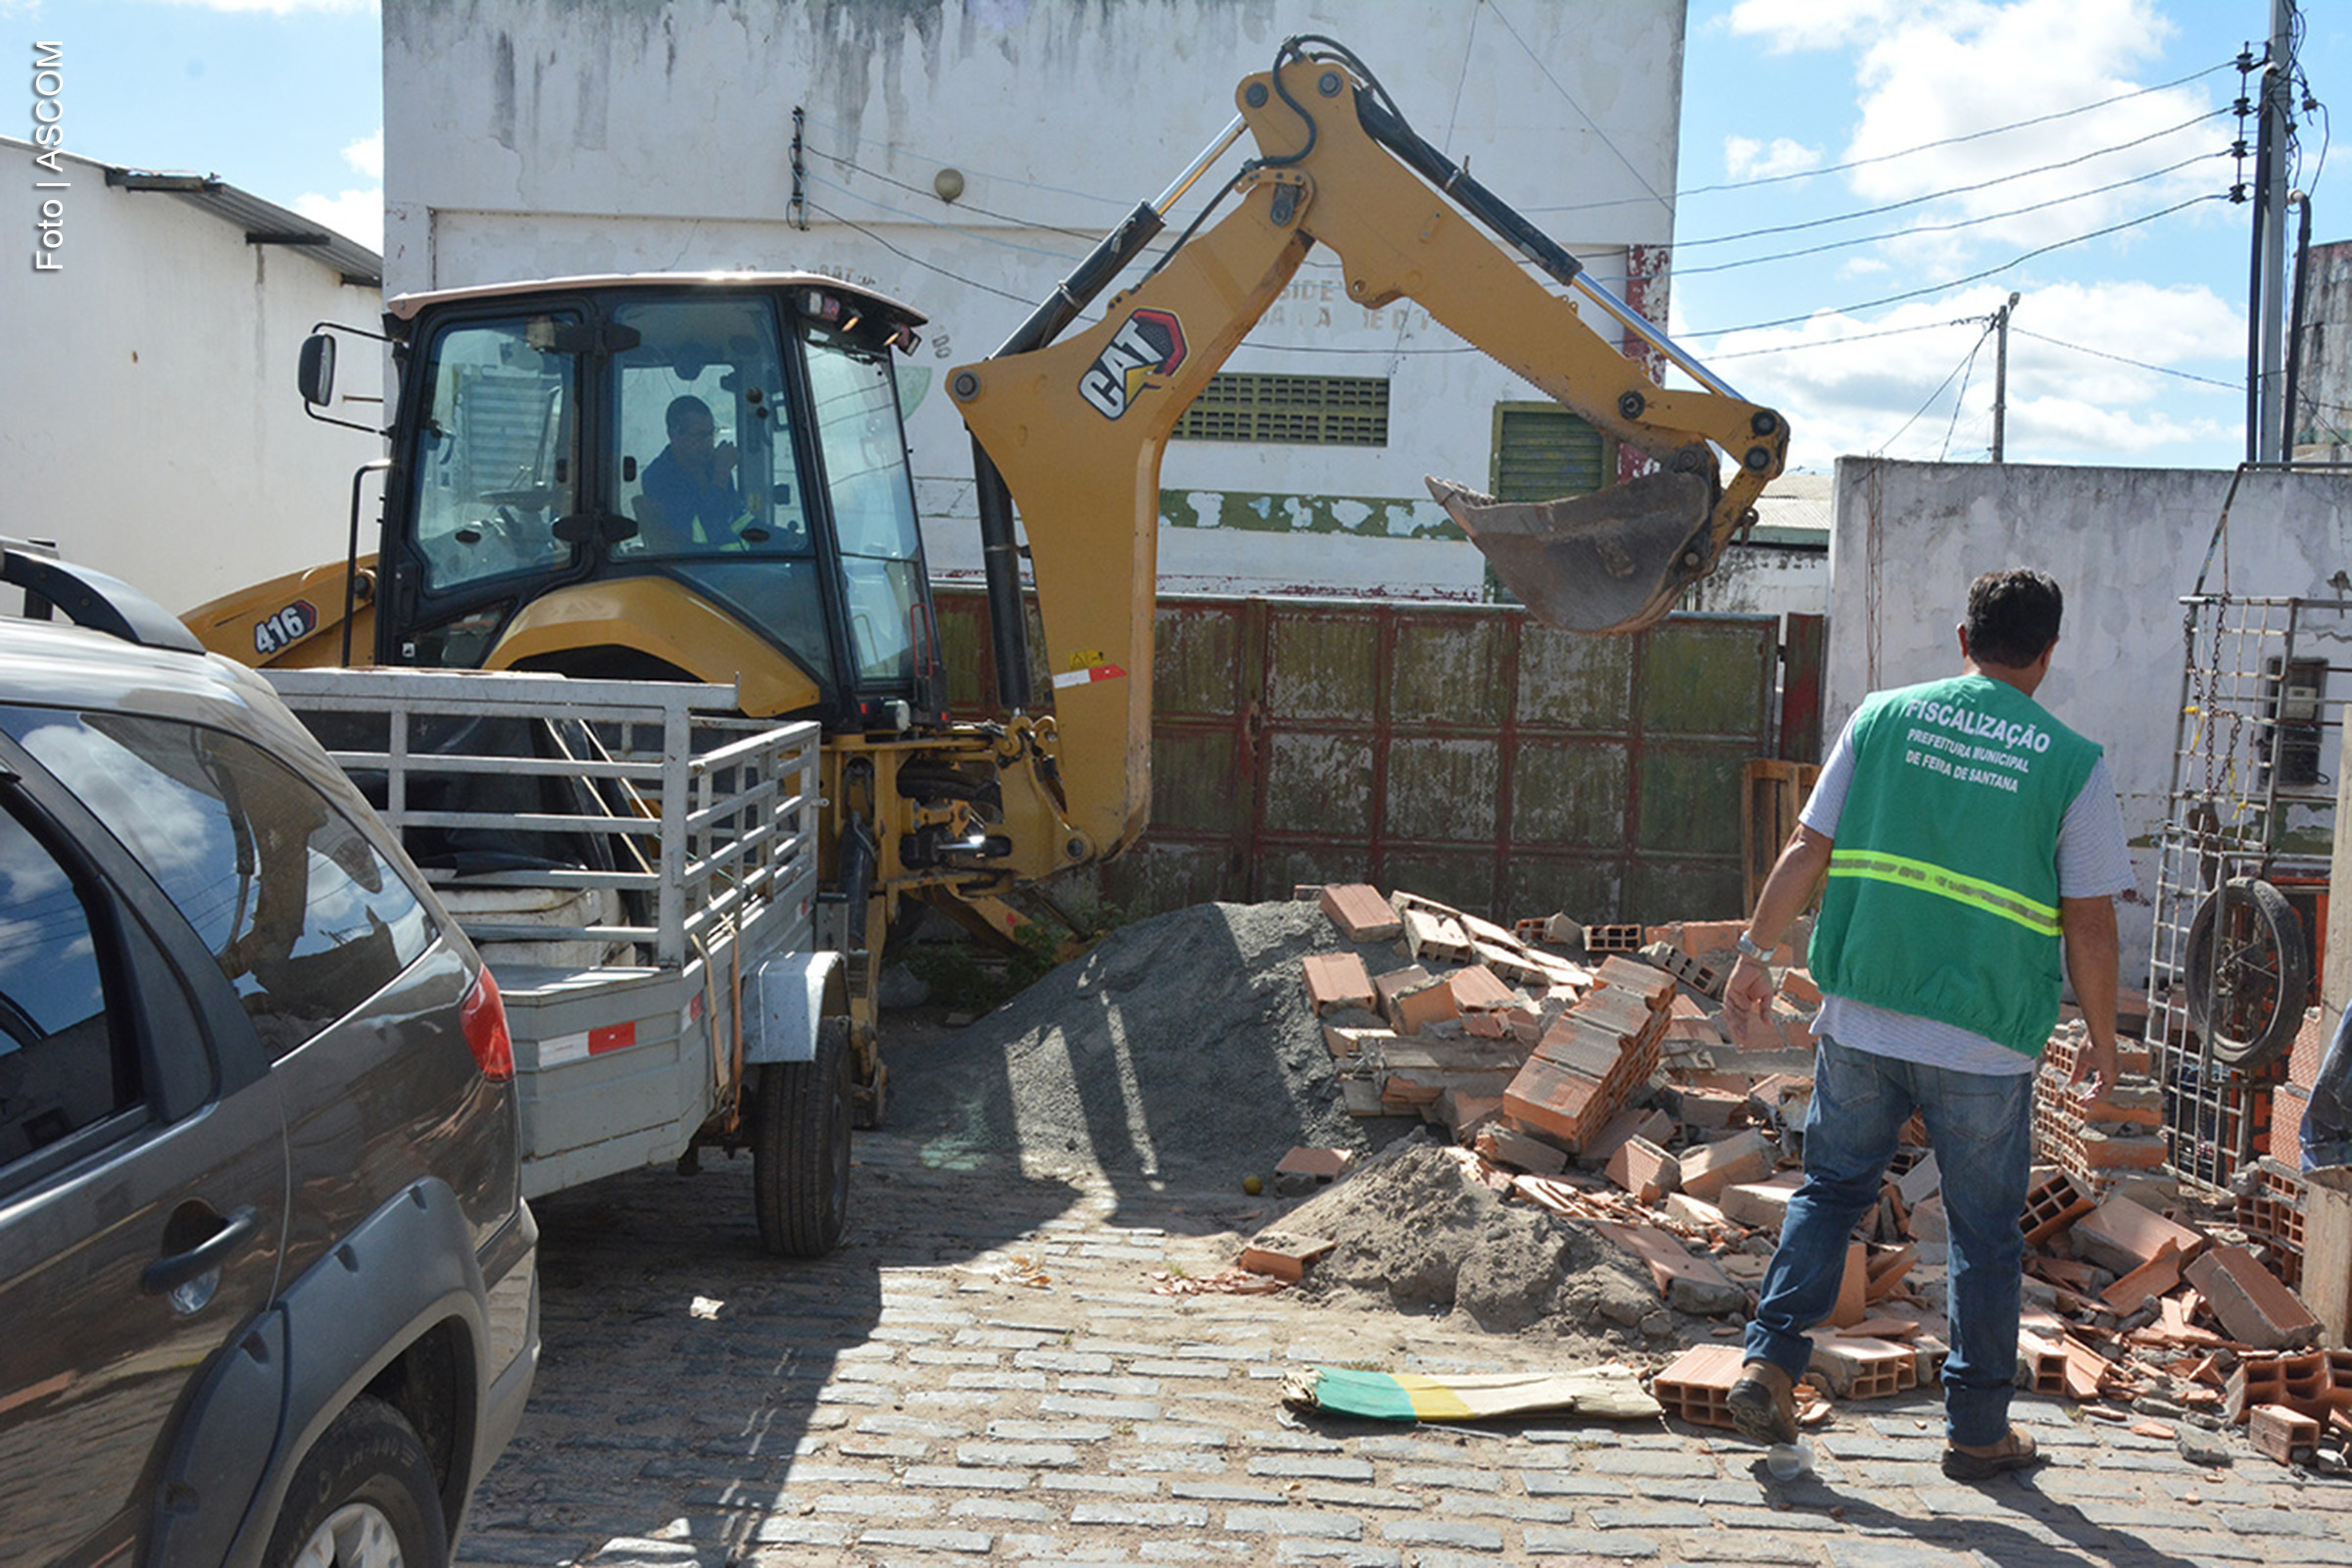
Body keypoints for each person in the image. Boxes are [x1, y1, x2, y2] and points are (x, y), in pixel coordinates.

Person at [1721, 568, 2132, 1481]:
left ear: (1962, 639)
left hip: (1865, 1013)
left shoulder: (1881, 718)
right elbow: (2092, 925)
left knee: (1831, 1193)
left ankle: (1769, 1364)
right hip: (1983, 1040)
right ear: (2049, 652)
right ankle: (1977, 1432)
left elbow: (1806, 848)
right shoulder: (2071, 762)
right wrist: (2103, 1041)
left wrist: (1753, 955)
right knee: (1985, 1237)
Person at [636, 395, 741, 550]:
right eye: (699, 435)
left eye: (711, 434)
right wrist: (721, 473)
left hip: (736, 561)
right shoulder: (660, 477)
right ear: (674, 435)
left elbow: (741, 520)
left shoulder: (712, 466)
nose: (708, 443)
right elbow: (702, 533)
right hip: (695, 568)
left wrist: (782, 539)